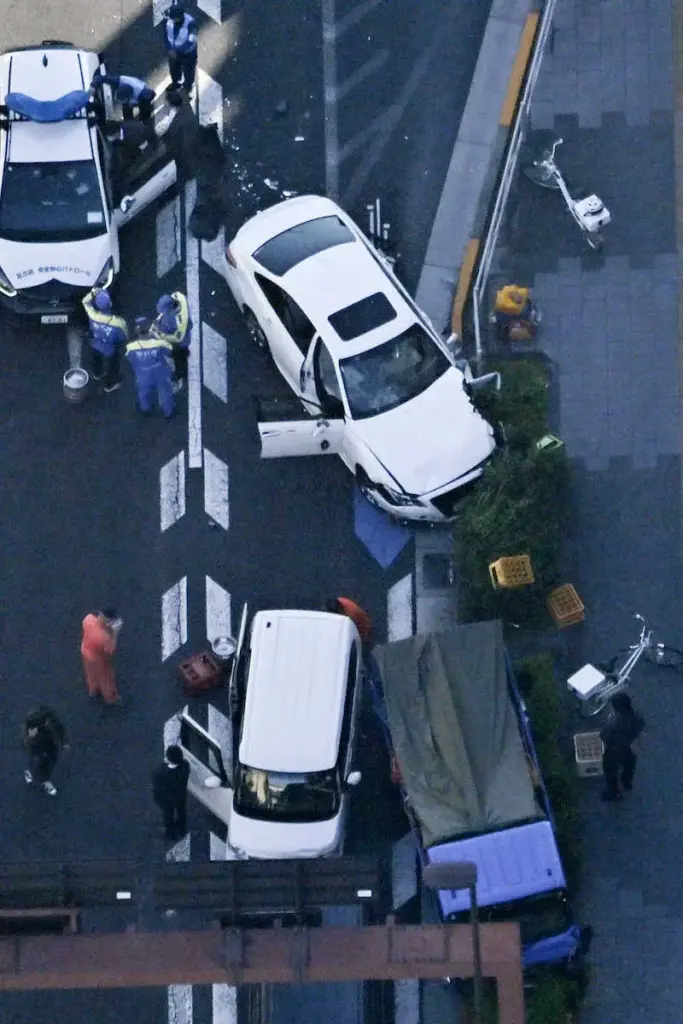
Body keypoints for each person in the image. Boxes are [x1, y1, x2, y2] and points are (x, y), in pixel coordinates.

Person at [125, 318, 176, 419]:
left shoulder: (131, 347)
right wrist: (157, 337)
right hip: (160, 372)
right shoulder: (158, 344)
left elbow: (130, 358)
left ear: (137, 331)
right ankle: (168, 412)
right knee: (165, 392)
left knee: (143, 392)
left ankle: (146, 409)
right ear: (149, 329)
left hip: (143, 374)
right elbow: (170, 350)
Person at [600, 692, 646, 801]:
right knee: (628, 766)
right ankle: (627, 783)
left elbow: (603, 736)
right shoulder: (636, 716)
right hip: (628, 748)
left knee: (610, 771)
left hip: (614, 750)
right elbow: (641, 724)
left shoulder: (613, 722)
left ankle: (614, 793)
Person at [81, 287, 128, 392]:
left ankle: (97, 373)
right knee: (113, 367)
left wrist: (92, 294)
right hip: (110, 349)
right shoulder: (119, 322)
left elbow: (85, 302)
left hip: (95, 344)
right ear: (110, 304)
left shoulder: (92, 314)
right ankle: (110, 385)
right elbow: (124, 337)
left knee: (96, 360)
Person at [151, 292, 192, 392]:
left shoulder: (180, 320)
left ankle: (181, 374)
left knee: (180, 358)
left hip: (181, 342)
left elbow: (178, 338)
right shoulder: (178, 296)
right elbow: (162, 314)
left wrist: (161, 335)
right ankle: (185, 353)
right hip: (180, 332)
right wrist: (158, 320)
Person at [23, 707, 68, 796]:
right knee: (36, 761)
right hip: (36, 746)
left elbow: (59, 729)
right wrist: (30, 737)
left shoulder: (50, 722)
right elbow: (24, 743)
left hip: (50, 744)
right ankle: (31, 772)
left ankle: (45, 780)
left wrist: (63, 742)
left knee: (51, 762)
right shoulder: (30, 724)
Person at [81, 608, 122, 706]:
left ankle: (93, 690)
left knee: (90, 673)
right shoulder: (104, 637)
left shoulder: (88, 619)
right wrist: (115, 633)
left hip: (85, 651)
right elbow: (110, 650)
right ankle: (111, 698)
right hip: (98, 659)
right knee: (106, 678)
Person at [152, 745, 190, 840]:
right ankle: (182, 829)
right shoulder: (185, 767)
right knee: (181, 812)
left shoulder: (160, 771)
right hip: (180, 797)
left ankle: (170, 833)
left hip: (166, 800)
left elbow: (156, 787)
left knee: (168, 815)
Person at [163, 4, 198, 95]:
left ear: (180, 17)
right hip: (173, 52)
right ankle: (175, 83)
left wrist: (177, 50)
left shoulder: (191, 23)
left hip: (188, 53)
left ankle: (187, 86)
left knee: (188, 71)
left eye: (174, 18)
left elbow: (191, 41)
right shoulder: (169, 19)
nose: (172, 20)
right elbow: (165, 34)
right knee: (173, 69)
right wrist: (169, 48)